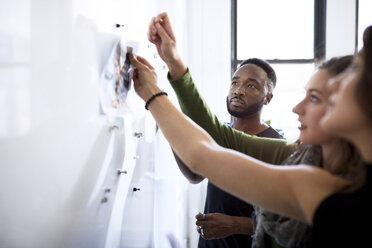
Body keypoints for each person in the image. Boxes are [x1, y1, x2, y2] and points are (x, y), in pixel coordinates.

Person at [130, 23, 372, 248]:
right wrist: (173, 64)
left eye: (317, 97)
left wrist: (153, 93)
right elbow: (209, 144)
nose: (297, 108)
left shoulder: (323, 187)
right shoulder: (301, 158)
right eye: (235, 82)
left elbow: (202, 154)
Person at [171, 56, 283, 248]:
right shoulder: (220, 133)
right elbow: (194, 175)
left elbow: (282, 223)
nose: (238, 91)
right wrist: (171, 129)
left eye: (251, 86)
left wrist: (235, 225)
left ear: (268, 98)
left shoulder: (274, 146)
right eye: (235, 83)